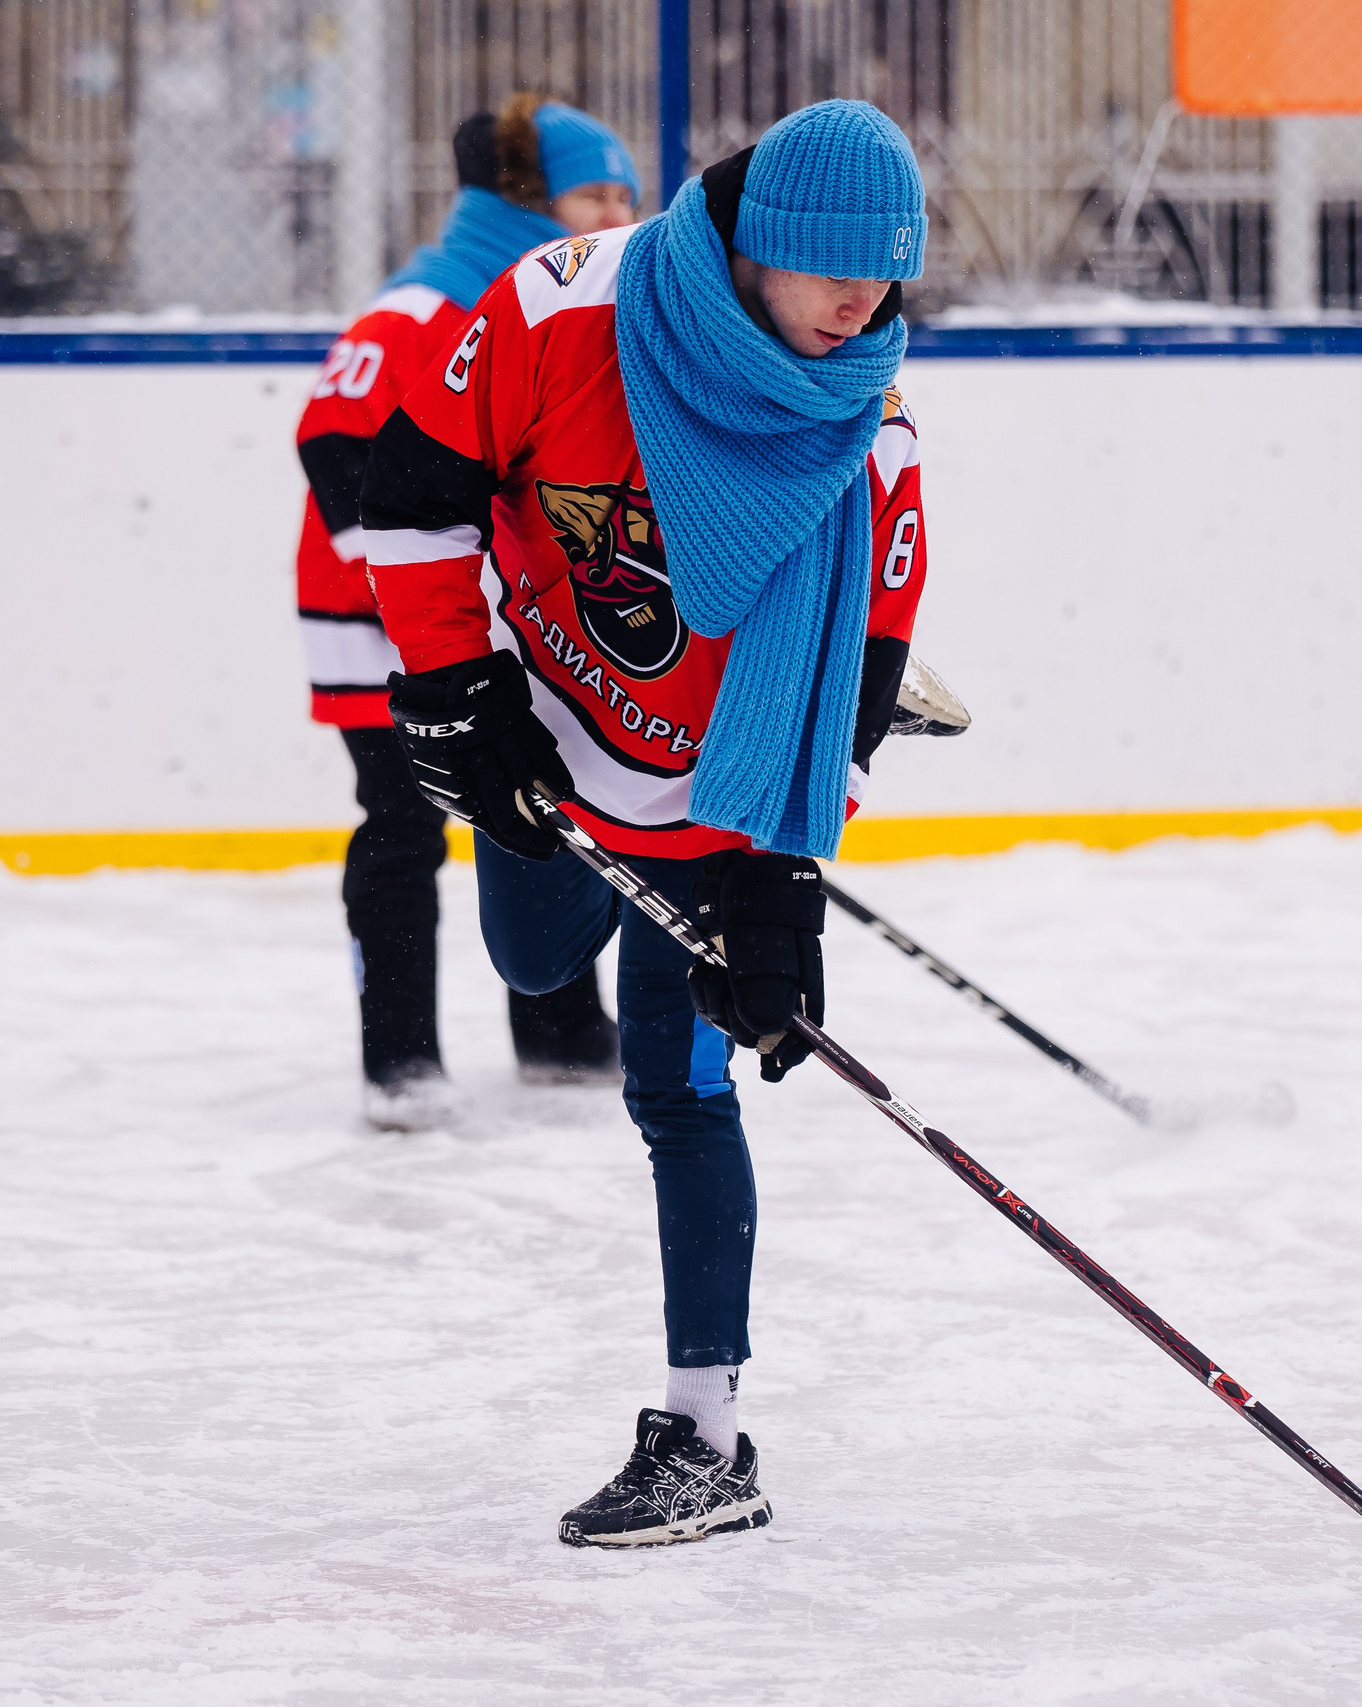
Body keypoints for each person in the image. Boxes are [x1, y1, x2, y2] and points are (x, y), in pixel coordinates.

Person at [360, 99, 933, 1545]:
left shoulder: (873, 424)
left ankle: (705, 1430)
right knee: (533, 960)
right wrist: (448, 692)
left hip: (719, 786)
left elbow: (856, 686)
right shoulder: (567, 309)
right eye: (832, 269)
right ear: (755, 248)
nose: (862, 303)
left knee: (682, 1090)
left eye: (888, 274)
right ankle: (578, 885)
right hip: (547, 729)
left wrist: (783, 883)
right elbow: (411, 488)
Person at [291, 95, 640, 1130]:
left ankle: (561, 1031)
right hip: (378, 625)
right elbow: (332, 442)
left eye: (627, 194)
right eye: (594, 194)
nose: (615, 214)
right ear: (522, 199)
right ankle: (399, 1059)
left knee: (538, 803)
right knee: (402, 826)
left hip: (494, 622)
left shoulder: (556, 313)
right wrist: (415, 596)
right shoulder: (421, 308)